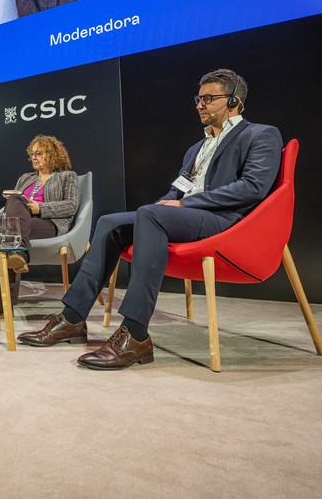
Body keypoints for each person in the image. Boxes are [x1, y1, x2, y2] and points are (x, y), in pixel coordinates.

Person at [18, 69, 283, 370]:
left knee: (150, 215)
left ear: (234, 101)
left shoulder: (260, 134)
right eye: (199, 98)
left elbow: (253, 187)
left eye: (209, 98)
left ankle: (135, 333)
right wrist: (165, 204)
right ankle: (72, 319)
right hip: (189, 214)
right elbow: (178, 187)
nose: (199, 104)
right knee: (110, 222)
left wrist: (182, 204)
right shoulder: (197, 147)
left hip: (224, 222)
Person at [0, 135, 80, 322]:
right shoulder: (25, 178)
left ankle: (1, 303)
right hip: (22, 224)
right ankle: (18, 252)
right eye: (32, 154)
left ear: (53, 154)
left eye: (39, 153)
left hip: (49, 223)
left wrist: (41, 208)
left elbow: (72, 205)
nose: (34, 157)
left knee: (7, 231)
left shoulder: (67, 176)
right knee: (14, 201)